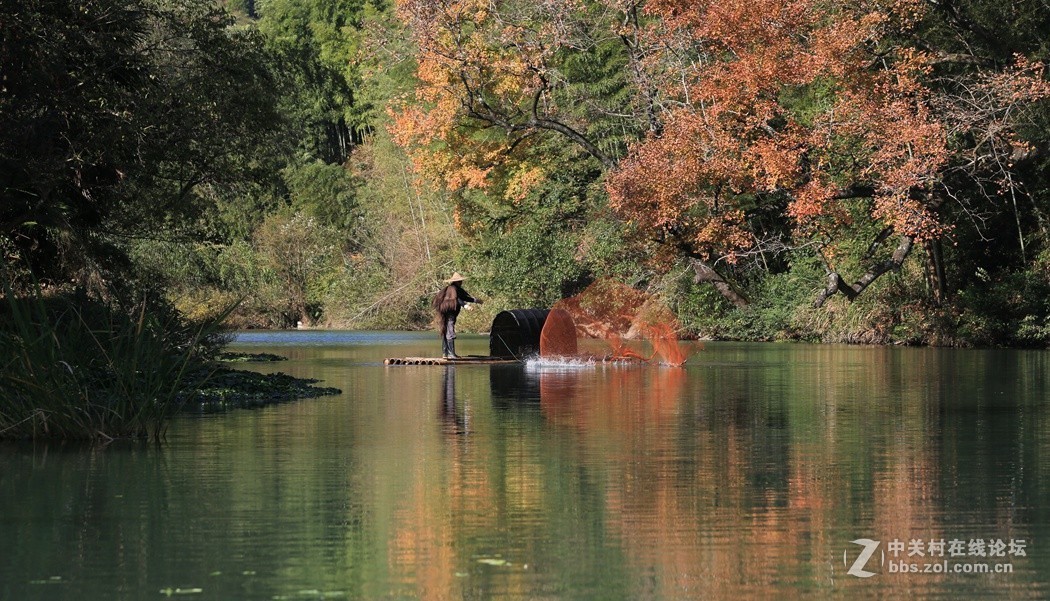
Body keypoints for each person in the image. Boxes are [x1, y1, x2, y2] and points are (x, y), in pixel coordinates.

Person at [432, 272, 483, 359]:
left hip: (444, 310)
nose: (461, 282)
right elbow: (457, 299)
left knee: (445, 329)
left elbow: (464, 297)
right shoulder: (453, 289)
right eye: (460, 281)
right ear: (456, 282)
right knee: (449, 330)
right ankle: (451, 354)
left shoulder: (451, 289)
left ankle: (445, 353)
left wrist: (475, 300)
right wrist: (465, 306)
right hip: (449, 312)